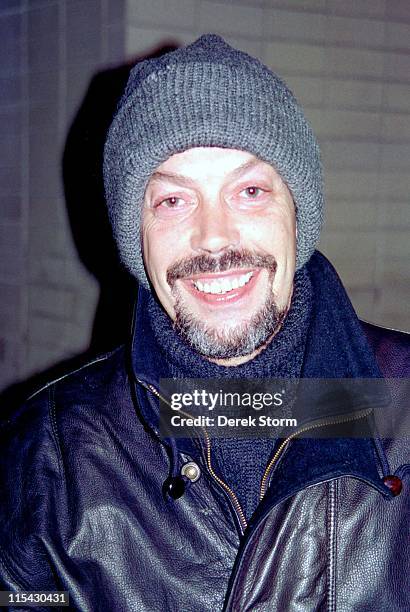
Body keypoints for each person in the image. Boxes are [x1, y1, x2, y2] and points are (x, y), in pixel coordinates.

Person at [1, 35, 409, 611]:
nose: (214, 237)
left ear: (299, 213)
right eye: (173, 201)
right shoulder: (45, 461)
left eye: (249, 191)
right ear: (133, 235)